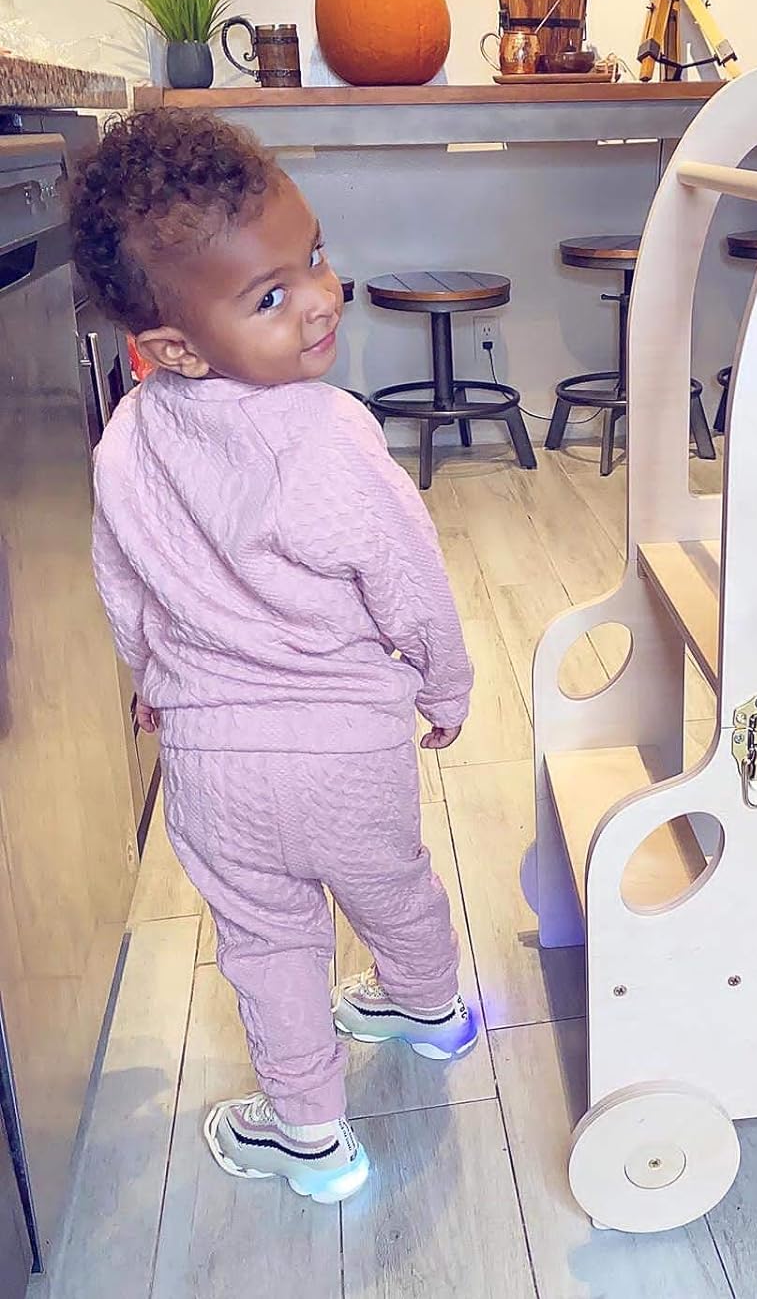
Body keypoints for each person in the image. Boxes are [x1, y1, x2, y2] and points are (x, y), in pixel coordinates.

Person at [71, 108, 476, 1205]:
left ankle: (308, 1135)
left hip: (215, 761)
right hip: (349, 743)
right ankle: (430, 1008)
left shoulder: (124, 445)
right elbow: (405, 572)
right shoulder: (327, 431)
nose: (317, 296)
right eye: (270, 294)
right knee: (391, 881)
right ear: (177, 346)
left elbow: (127, 587)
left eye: (314, 257)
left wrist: (154, 685)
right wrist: (444, 681)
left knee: (269, 947)